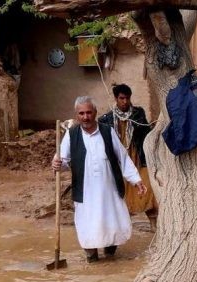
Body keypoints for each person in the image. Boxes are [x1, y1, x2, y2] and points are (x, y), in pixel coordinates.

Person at [52, 96, 146, 262]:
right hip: (85, 190)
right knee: (87, 223)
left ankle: (110, 254)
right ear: (77, 115)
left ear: (95, 112)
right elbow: (63, 161)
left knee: (111, 222)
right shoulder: (71, 135)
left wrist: (136, 180)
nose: (86, 117)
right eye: (81, 113)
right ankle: (92, 257)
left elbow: (122, 158)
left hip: (108, 189)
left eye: (89, 112)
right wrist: (57, 164)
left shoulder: (107, 131)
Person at [98, 84, 159, 229]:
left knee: (146, 189)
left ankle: (153, 225)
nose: (125, 101)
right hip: (118, 160)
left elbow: (145, 134)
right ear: (116, 99)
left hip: (137, 157)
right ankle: (121, 228)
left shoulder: (138, 114)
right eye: (121, 98)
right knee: (119, 193)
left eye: (127, 98)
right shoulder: (106, 119)